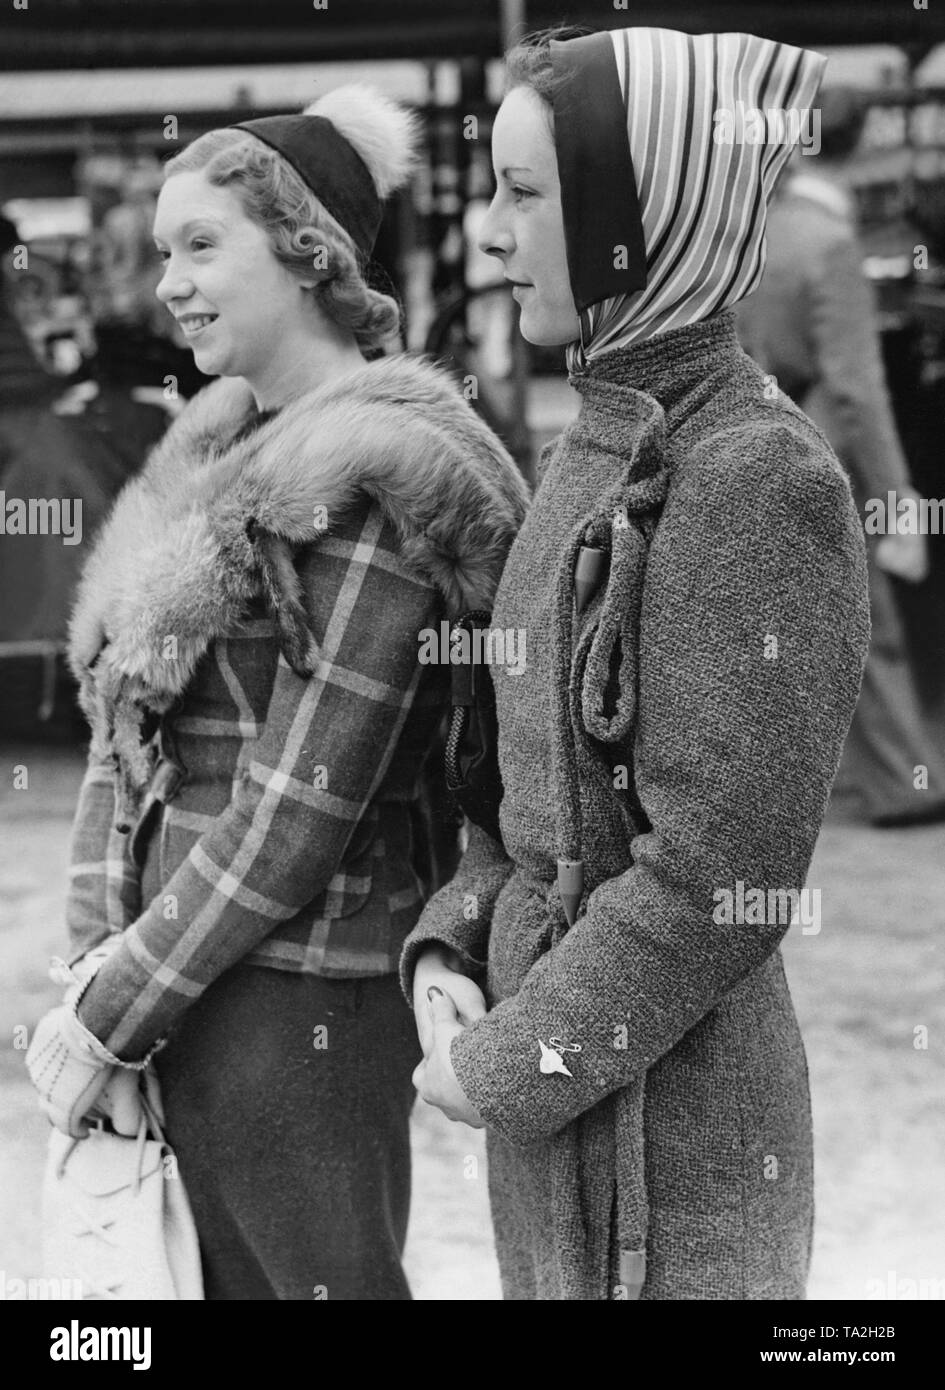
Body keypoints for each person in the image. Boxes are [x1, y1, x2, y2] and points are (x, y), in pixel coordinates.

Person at [25, 84, 528, 1300]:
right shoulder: (210, 449)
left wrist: (115, 1004)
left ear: (310, 253)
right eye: (162, 254)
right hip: (182, 988)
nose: (169, 285)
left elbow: (296, 808)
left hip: (300, 1003)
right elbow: (121, 739)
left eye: (204, 246)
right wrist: (99, 974)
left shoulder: (382, 470)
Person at [402, 27, 871, 1300]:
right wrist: (451, 945)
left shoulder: (756, 477)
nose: (489, 236)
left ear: (635, 218)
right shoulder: (594, 445)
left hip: (681, 1160)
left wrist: (510, 1068)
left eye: (525, 193)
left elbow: (725, 876)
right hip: (559, 1113)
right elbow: (515, 797)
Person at [737, 86, 945, 825]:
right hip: (819, 453)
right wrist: (898, 500)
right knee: (867, 621)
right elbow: (858, 389)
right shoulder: (828, 245)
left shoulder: (746, 234)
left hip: (746, 445)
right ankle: (899, 779)